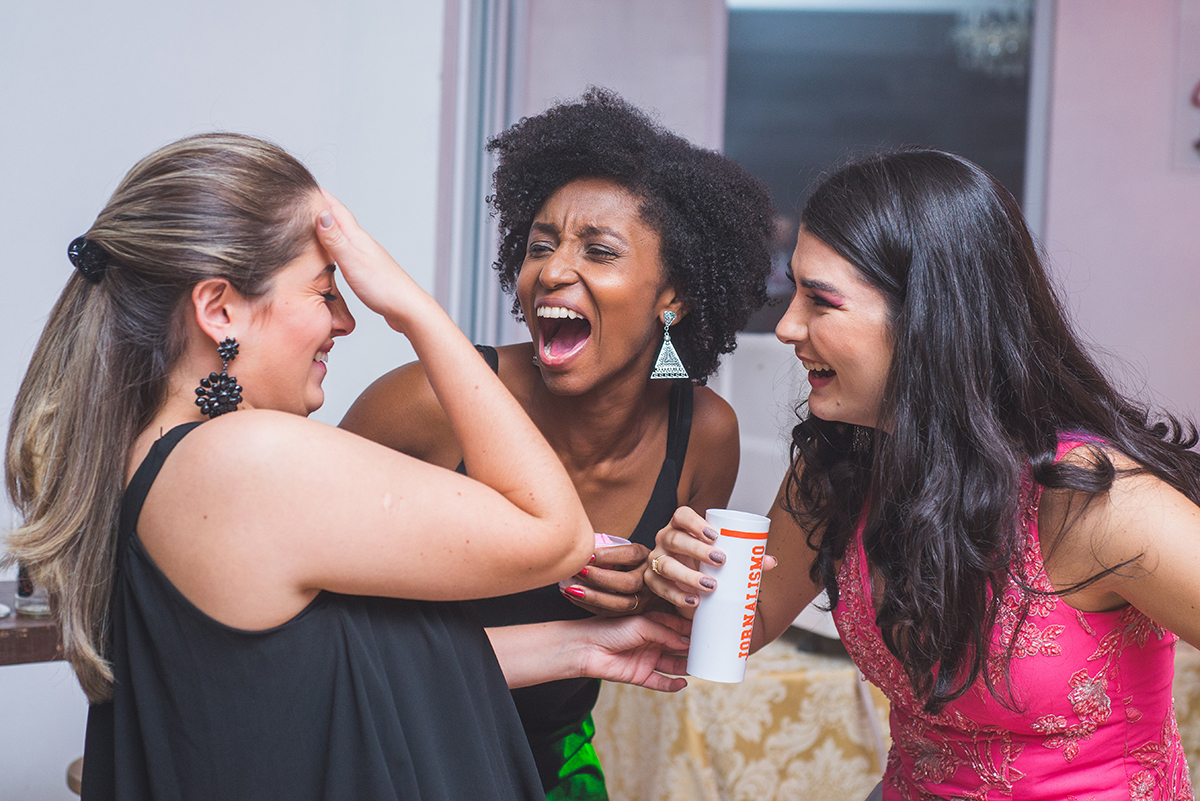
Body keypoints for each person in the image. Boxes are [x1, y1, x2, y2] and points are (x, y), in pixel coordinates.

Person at [4, 133, 693, 801]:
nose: (346, 319)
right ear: (219, 309)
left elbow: (346, 664)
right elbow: (555, 533)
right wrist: (414, 309)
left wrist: (582, 648)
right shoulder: (240, 459)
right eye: (324, 290)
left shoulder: (180, 460)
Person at [646, 148, 1200, 800]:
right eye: (793, 291)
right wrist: (688, 582)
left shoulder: (1093, 501)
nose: (788, 326)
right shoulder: (839, 467)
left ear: (928, 317)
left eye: (820, 300)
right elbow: (751, 622)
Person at [341, 88, 775, 799]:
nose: (551, 270)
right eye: (540, 246)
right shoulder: (427, 402)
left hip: (550, 757)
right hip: (391, 747)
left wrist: (648, 589)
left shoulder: (705, 434)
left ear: (672, 298)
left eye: (597, 251)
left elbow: (665, 631)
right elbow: (303, 596)